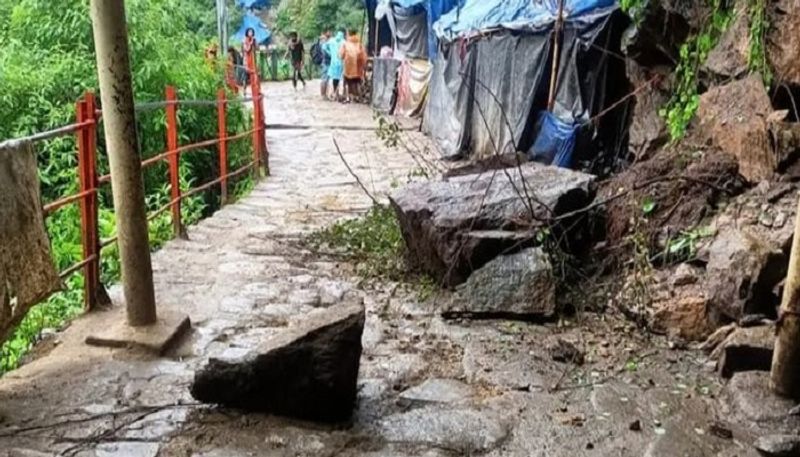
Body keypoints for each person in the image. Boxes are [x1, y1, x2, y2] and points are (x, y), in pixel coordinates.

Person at [340, 29, 367, 104]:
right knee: (357, 82)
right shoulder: (360, 44)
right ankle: (358, 97)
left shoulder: (345, 44)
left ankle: (348, 97)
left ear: (348, 34)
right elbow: (364, 57)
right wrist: (363, 65)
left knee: (348, 83)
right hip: (358, 68)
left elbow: (341, 55)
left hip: (348, 68)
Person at [325, 30, 346, 101]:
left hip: (333, 63)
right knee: (341, 79)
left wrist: (330, 53)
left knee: (331, 78)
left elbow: (323, 47)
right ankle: (340, 94)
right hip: (341, 63)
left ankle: (331, 94)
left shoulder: (331, 41)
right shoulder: (344, 42)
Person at [312, 32, 331, 99]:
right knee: (325, 79)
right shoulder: (324, 45)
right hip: (325, 63)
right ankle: (324, 95)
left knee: (325, 79)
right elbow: (326, 55)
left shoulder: (320, 44)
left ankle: (324, 94)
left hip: (323, 63)